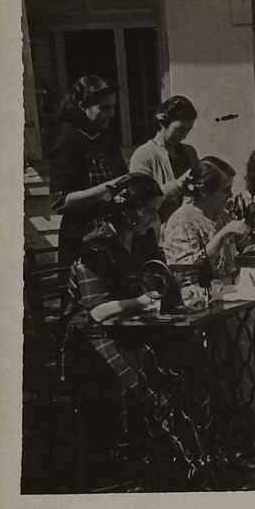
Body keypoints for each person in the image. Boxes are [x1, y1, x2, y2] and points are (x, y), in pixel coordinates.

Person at [60, 173, 165, 468]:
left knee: (179, 358)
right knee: (146, 380)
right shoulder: (95, 245)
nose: (155, 217)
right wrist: (145, 301)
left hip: (130, 326)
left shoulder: (144, 238)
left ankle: (165, 450)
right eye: (151, 210)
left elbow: (156, 276)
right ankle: (140, 455)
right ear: (128, 210)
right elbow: (99, 312)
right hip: (90, 339)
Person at [48, 75, 129, 265]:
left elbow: (123, 180)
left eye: (113, 107)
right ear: (83, 106)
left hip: (112, 236)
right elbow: (59, 202)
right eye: (104, 108)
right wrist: (107, 189)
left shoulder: (107, 138)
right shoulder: (66, 141)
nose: (111, 114)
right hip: (82, 241)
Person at [162, 156, 249, 282]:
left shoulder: (222, 215)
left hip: (229, 288)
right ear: (204, 191)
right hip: (198, 294)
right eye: (225, 190)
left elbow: (234, 253)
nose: (230, 195)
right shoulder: (183, 220)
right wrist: (223, 234)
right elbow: (186, 268)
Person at [129, 95, 202, 222]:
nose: (184, 136)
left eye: (188, 130)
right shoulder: (144, 155)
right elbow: (141, 200)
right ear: (163, 123)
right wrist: (178, 184)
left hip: (191, 223)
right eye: (179, 129)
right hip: (161, 228)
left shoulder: (190, 152)